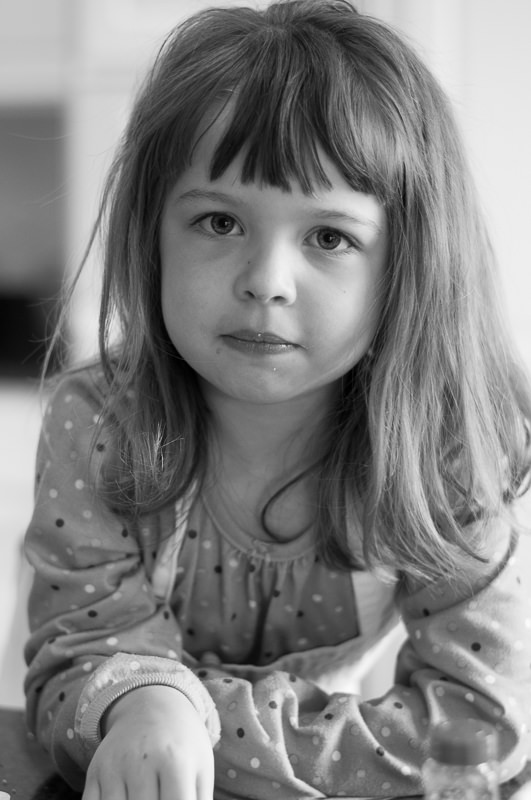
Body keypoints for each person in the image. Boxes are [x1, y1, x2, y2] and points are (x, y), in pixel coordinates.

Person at [23, 1, 531, 799]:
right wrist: (138, 704)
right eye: (219, 221)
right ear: (150, 235)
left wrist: (169, 714)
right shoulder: (99, 424)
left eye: (329, 237)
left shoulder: (446, 448)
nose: (266, 280)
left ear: (406, 266)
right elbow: (68, 669)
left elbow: (481, 728)